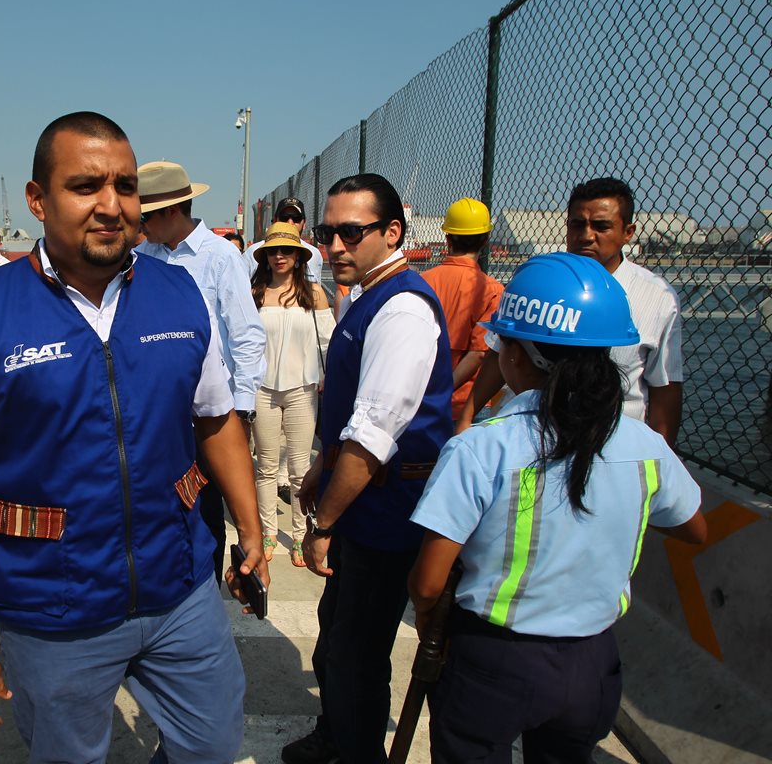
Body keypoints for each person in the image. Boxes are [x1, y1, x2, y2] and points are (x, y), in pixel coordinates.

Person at [0, 112, 267, 763]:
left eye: (124, 185)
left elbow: (216, 418)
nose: (110, 205)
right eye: (86, 186)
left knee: (212, 742)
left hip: (180, 587)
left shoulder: (178, 295)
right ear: (38, 200)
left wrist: (251, 526)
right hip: (53, 607)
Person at [408, 252, 706, 762]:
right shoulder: (643, 446)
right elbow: (694, 530)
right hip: (593, 664)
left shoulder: (482, 447)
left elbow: (428, 583)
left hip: (494, 662)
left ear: (518, 356)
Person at [284, 173, 453, 764]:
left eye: (350, 233)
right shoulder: (365, 296)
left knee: (357, 653)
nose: (334, 246)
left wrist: (324, 522)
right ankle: (338, 735)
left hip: (382, 514)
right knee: (337, 644)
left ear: (392, 232)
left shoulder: (402, 308)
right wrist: (318, 470)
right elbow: (349, 412)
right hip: (360, 503)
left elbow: (375, 433)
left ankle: (354, 751)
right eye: (328, 232)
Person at [458, 178, 684, 445]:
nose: (586, 235)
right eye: (577, 224)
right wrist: (466, 419)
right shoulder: (538, 281)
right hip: (526, 438)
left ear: (628, 232)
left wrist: (661, 453)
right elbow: (500, 352)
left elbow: (665, 386)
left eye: (601, 226)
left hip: (607, 446)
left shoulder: (657, 298)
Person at [137, 160, 267, 583]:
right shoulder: (141, 257)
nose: (139, 225)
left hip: (207, 411)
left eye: (145, 216)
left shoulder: (220, 258)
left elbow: (246, 336)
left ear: (171, 212)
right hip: (157, 407)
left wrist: (242, 411)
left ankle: (203, 588)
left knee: (204, 507)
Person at [249, 222, 333, 567]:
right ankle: (269, 532)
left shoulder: (313, 294)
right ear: (265, 256)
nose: (279, 256)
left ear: (298, 256)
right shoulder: (254, 292)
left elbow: (328, 341)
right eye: (273, 250)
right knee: (266, 468)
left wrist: (327, 377)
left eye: (286, 250)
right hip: (262, 388)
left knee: (301, 469)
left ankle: (300, 535)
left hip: (302, 388)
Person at [421, 198, 504, 421]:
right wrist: (444, 390)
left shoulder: (421, 282)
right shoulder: (492, 290)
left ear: (447, 238)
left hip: (419, 394)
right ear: (486, 239)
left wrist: (429, 393)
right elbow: (478, 353)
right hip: (466, 403)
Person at [246, 197, 324, 283]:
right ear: (275, 220)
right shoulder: (252, 252)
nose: (290, 223)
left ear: (304, 223)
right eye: (284, 218)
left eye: (296, 218)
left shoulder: (315, 254)